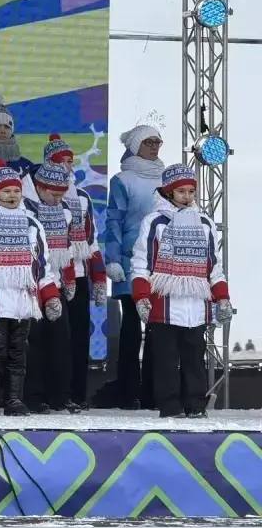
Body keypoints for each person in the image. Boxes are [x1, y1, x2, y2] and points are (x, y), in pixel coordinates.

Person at [0, 161, 62, 416]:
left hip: (23, 300)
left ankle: (14, 400)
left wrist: (50, 297)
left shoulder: (33, 224)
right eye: (6, 191)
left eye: (16, 191)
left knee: (19, 353)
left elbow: (42, 266)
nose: (12, 195)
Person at [130, 163, 230, 418]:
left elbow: (213, 266)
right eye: (181, 191)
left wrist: (222, 298)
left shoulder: (205, 223)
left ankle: (195, 404)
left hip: (195, 305)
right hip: (164, 303)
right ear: (169, 192)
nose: (187, 196)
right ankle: (170, 406)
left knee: (194, 358)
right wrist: (141, 296)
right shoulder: (155, 222)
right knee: (166, 359)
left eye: (191, 191)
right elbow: (141, 262)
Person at [37, 133, 107, 407]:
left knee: (78, 337)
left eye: (69, 161)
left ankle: (76, 394)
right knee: (54, 337)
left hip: (78, 274)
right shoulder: (40, 197)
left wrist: (98, 277)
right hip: (51, 277)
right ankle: (50, 393)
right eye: (60, 161)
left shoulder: (83, 198)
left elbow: (92, 241)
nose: (66, 165)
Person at [104, 124, 165, 409]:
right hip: (130, 260)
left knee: (158, 326)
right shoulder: (122, 179)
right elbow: (114, 220)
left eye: (157, 142)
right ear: (135, 146)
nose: (154, 147)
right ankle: (128, 391)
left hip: (161, 261)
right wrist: (113, 258)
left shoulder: (167, 178)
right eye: (148, 142)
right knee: (131, 323)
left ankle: (154, 392)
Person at [22, 162, 78, 413]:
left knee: (60, 341)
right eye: (54, 194)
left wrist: (69, 278)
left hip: (54, 283)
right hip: (30, 285)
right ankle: (33, 396)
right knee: (34, 341)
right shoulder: (24, 208)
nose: (58, 199)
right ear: (40, 187)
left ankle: (60, 396)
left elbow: (67, 248)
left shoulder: (64, 210)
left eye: (61, 194)